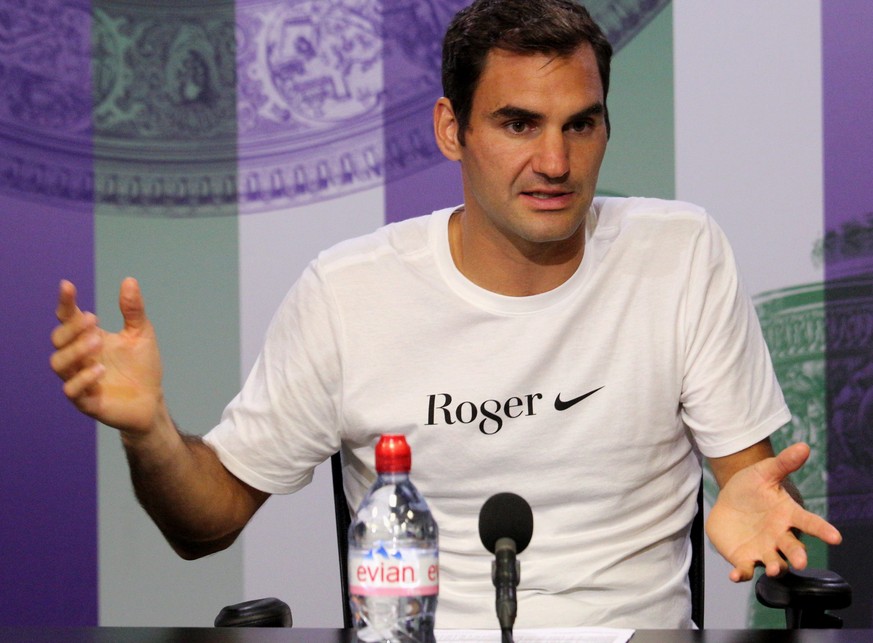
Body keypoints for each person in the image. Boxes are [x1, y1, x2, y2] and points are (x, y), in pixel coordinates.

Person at [50, 0, 841, 629]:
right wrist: (149, 431)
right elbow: (206, 521)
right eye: (517, 123)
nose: (556, 163)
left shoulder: (680, 252)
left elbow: (747, 487)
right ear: (451, 129)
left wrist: (743, 500)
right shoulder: (349, 291)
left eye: (580, 123)